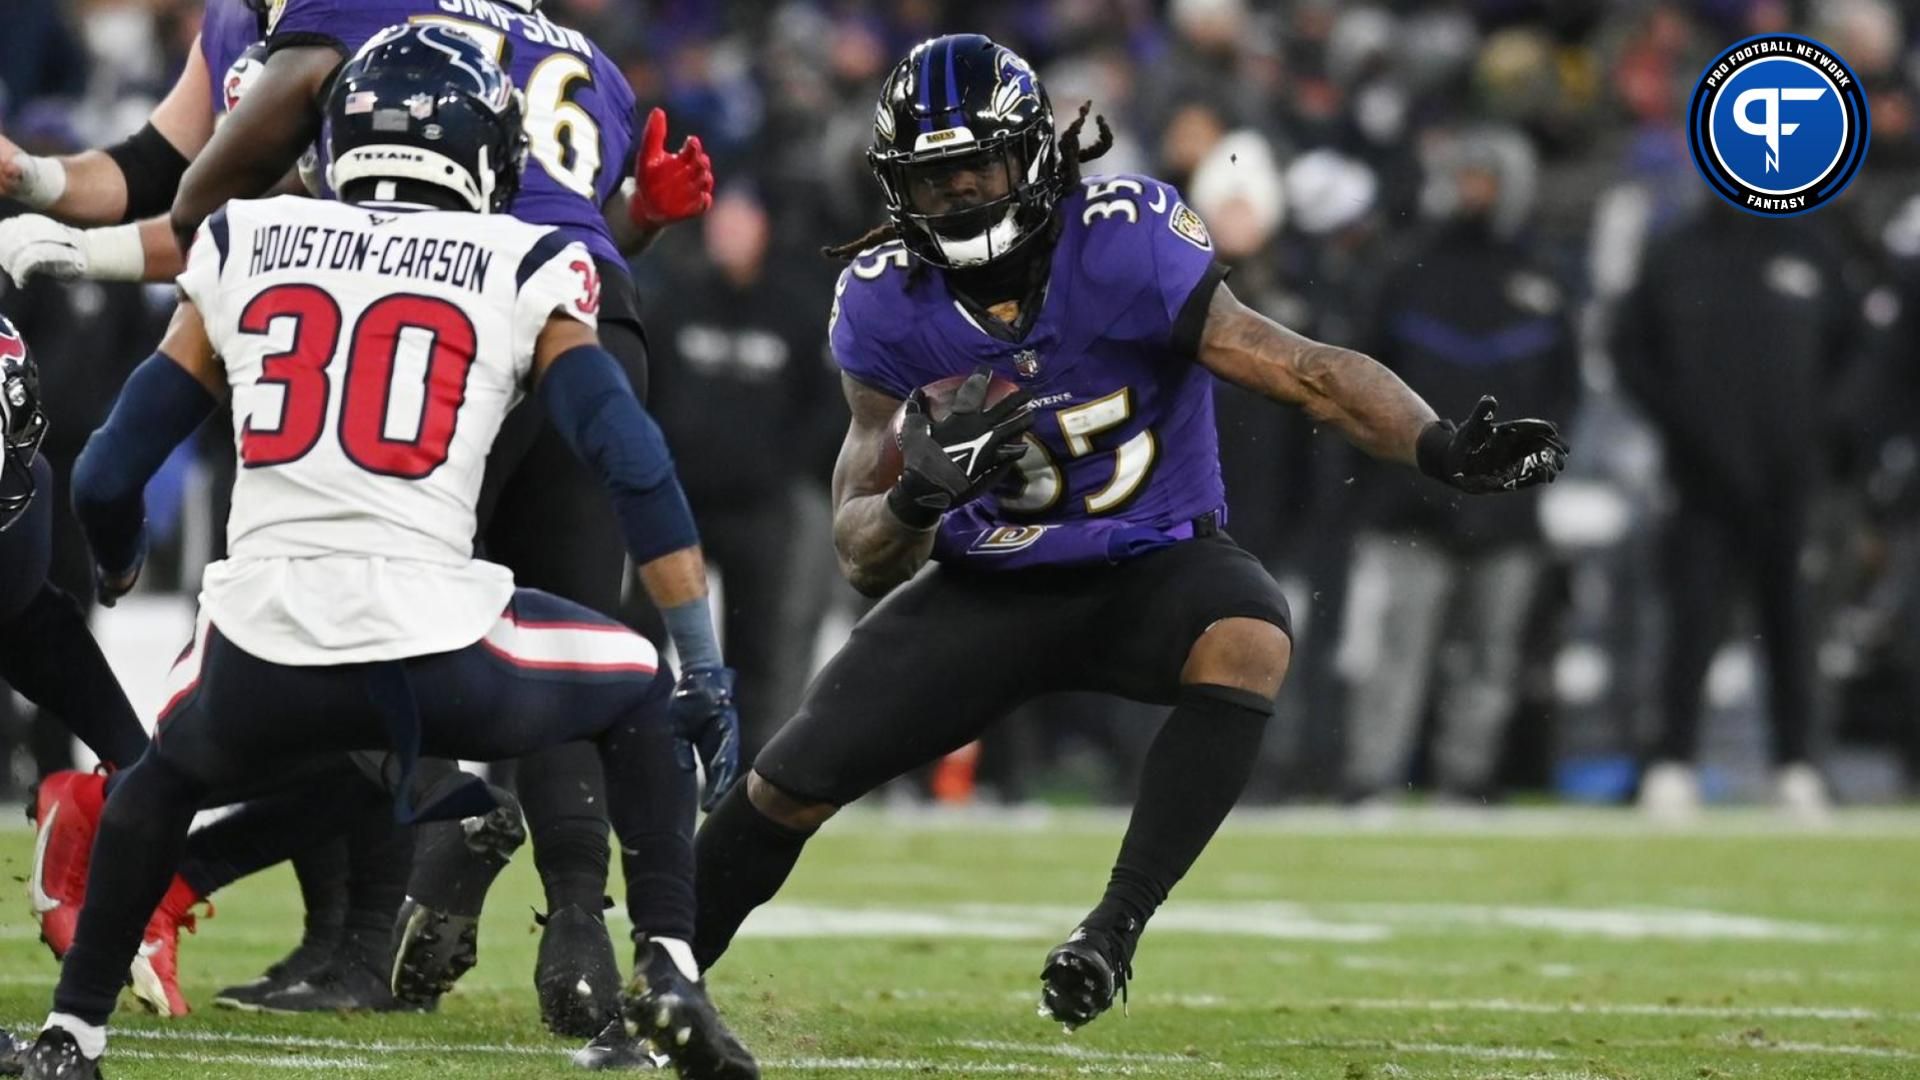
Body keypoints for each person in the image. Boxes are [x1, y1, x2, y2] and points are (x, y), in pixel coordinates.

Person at [687, 33, 1567, 1031]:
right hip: (991, 585)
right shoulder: (887, 302)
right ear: (898, 189)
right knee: (787, 786)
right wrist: (915, 499)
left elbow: (1301, 368)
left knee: (1251, 633)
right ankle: (655, 977)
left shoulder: (1126, 240)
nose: (965, 192)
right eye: (936, 177)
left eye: (980, 162)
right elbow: (859, 555)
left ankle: (1111, 932)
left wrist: (1440, 445)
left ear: (1036, 155)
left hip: (1153, 560)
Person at [14, 26, 755, 1080]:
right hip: (441, 648)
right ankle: (667, 965)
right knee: (634, 685)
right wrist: (701, 662)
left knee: (162, 775)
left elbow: (102, 473)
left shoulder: (248, 239)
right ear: (489, 156)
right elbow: (630, 460)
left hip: (256, 662)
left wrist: (120, 562)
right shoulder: (526, 256)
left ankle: (72, 1033)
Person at [1336, 127, 1580, 804]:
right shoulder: (1408, 269)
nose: (1472, 191)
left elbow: (1566, 396)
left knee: (1490, 656)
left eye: (1487, 179)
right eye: (1465, 177)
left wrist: (1524, 474)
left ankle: (1466, 781)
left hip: (1506, 506)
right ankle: (1372, 779)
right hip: (1412, 498)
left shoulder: (1546, 278)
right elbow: (1367, 378)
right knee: (1397, 651)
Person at [1611, 202, 1854, 821]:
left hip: (1789, 482)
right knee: (1691, 623)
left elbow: (1857, 354)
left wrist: (1818, 436)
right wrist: (1685, 429)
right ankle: (1672, 761)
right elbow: (1629, 348)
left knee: (1792, 626)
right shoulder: (1678, 250)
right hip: (1700, 479)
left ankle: (1798, 764)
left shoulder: (1812, 248)